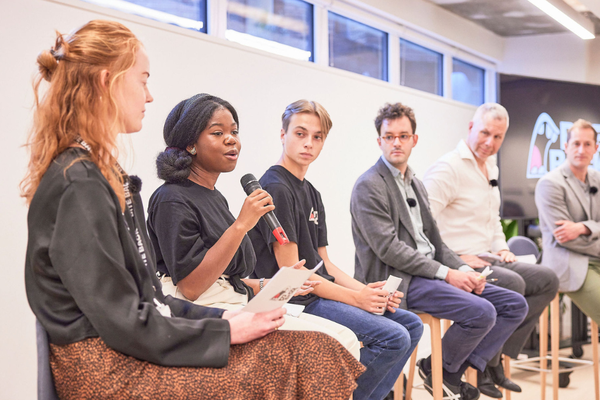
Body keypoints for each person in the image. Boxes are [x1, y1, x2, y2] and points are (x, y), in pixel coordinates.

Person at [22, 21, 363, 399]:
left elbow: (147, 300)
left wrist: (224, 318)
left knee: (318, 350)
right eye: (143, 80)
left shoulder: (99, 175)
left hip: (130, 347)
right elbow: (127, 318)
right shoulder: (81, 183)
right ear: (107, 81)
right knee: (312, 356)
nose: (149, 96)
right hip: (110, 371)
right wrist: (225, 329)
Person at [146, 93, 360, 359]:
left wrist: (272, 284)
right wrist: (241, 226)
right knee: (335, 347)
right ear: (191, 144)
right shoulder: (171, 198)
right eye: (218, 132)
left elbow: (228, 277)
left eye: (234, 131)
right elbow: (191, 286)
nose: (231, 139)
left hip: (237, 299)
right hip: (205, 310)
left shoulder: (214, 196)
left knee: (345, 339)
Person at [350, 102, 528, 400]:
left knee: (514, 305)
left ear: (414, 140)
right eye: (390, 136)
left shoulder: (416, 184)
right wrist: (448, 274)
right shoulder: (369, 186)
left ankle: (450, 371)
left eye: (403, 136)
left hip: (430, 274)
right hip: (400, 280)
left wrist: (465, 269)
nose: (397, 142)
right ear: (379, 140)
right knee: (482, 311)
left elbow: (436, 242)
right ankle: (441, 372)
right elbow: (390, 249)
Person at [249, 99, 424, 400]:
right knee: (394, 338)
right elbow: (294, 276)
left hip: (314, 292)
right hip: (292, 300)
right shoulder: (276, 186)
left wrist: (368, 291)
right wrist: (357, 298)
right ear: (283, 135)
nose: (309, 143)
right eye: (300, 134)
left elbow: (324, 262)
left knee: (411, 324)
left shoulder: (311, 192)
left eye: (317, 137)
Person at [422, 103, 559, 397]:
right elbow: (421, 223)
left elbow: (492, 218)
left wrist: (502, 248)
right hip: (459, 262)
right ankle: (479, 366)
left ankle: (491, 360)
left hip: (489, 256)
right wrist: (454, 258)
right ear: (471, 128)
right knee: (514, 283)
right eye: (485, 133)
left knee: (547, 279)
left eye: (497, 137)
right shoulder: (448, 168)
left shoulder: (490, 166)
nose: (489, 142)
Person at [535, 119, 600, 323]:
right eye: (576, 143)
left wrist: (583, 227)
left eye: (587, 144)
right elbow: (566, 239)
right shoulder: (550, 184)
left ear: (596, 148)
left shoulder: (598, 179)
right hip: (569, 262)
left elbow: (577, 233)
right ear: (566, 147)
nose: (581, 149)